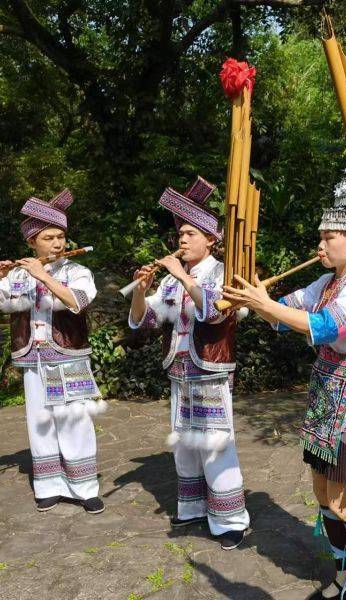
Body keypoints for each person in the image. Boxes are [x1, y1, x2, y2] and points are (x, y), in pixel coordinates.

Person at [222, 170, 346, 600]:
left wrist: (265, 305)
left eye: (329, 237)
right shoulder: (327, 282)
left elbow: (320, 325)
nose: (320, 245)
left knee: (344, 504)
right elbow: (285, 315)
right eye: (320, 237)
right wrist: (255, 300)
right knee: (322, 495)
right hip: (325, 399)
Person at [128, 177, 250, 550]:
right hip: (180, 370)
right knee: (185, 441)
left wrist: (181, 275)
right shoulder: (168, 280)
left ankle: (230, 518)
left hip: (210, 370)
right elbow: (146, 320)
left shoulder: (226, 271)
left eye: (190, 233)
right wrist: (139, 291)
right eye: (180, 233)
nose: (181, 240)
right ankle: (194, 506)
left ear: (211, 239)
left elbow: (215, 312)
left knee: (214, 442)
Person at [0, 190, 105, 514]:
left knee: (74, 420)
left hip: (68, 356)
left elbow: (79, 302)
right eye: (49, 237)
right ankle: (49, 485)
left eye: (61, 236)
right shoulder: (15, 273)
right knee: (40, 421)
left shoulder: (76, 272)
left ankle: (85, 487)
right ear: (33, 242)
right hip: (33, 358)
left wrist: (43, 276)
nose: (57, 244)